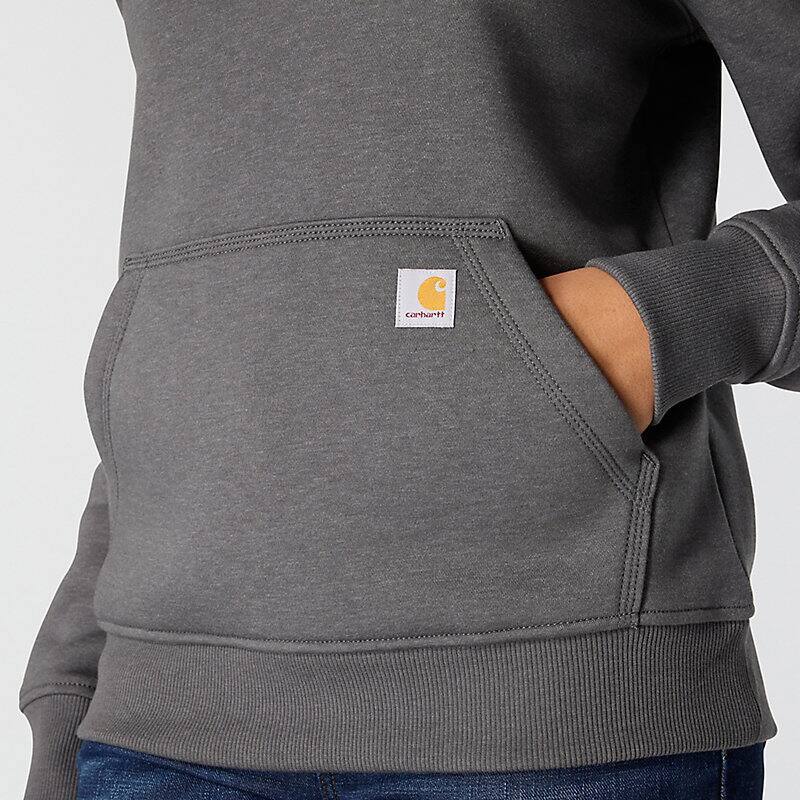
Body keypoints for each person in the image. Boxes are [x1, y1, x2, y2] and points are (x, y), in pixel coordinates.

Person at [19, 2, 799, 798]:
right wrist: (71, 684)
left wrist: (650, 323)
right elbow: (204, 314)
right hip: (151, 736)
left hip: (560, 723)